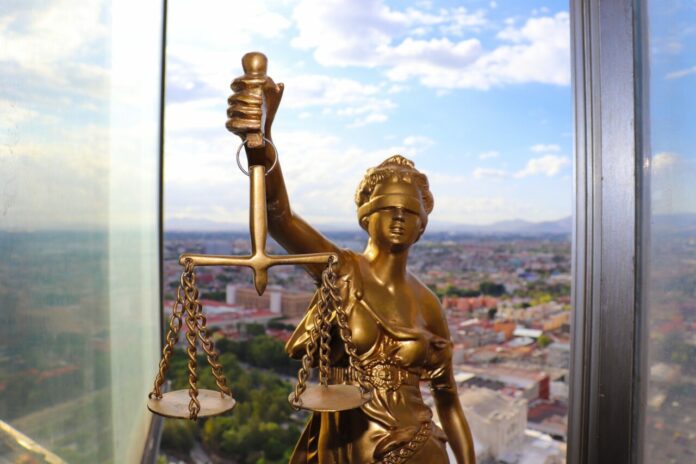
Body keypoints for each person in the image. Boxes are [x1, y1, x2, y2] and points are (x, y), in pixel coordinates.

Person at [227, 61, 476, 464]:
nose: (399, 218)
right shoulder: (342, 271)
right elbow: (280, 219)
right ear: (366, 217)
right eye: (388, 208)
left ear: (422, 226)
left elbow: (448, 399)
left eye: (410, 212)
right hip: (349, 447)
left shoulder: (427, 303)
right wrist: (262, 143)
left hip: (421, 448)